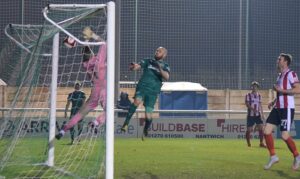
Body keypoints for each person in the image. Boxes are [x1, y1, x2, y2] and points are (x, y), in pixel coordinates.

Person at [55, 27, 107, 140]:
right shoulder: (99, 61)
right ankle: (95, 123)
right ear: (93, 55)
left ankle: (63, 130)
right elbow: (104, 43)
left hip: (95, 93)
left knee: (79, 115)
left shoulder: (86, 66)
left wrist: (86, 42)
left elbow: (86, 55)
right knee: (110, 112)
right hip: (104, 91)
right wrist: (91, 35)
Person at [120, 47, 170, 140]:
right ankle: (126, 123)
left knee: (148, 115)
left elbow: (166, 77)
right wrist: (133, 67)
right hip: (142, 87)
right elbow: (137, 66)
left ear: (164, 55)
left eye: (159, 51)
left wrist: (159, 67)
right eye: (156, 50)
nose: (157, 52)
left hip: (153, 92)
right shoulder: (148, 61)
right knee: (136, 101)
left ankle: (146, 129)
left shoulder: (165, 65)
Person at [263, 53, 300, 170]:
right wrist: (273, 101)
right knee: (267, 131)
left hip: (287, 108)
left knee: (284, 136)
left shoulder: (291, 74)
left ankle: (297, 156)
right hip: (278, 107)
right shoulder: (279, 76)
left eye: (280, 59)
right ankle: (273, 156)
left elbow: (298, 89)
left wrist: (281, 90)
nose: (278, 60)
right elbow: (280, 92)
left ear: (286, 62)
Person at [245, 81, 266, 148]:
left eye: (256, 86)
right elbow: (247, 104)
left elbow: (260, 105)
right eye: (253, 86)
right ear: (251, 87)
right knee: (249, 130)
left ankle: (261, 143)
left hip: (258, 115)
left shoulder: (259, 96)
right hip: (250, 115)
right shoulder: (248, 95)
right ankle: (248, 144)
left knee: (261, 128)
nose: (254, 87)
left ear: (258, 88)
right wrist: (253, 109)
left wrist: (262, 114)